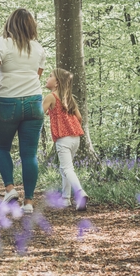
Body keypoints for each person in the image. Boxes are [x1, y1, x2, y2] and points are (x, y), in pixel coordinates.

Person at [0, 8, 46, 214]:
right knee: (29, 154)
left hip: (8, 101)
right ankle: (29, 202)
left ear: (10, 24)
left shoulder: (2, 44)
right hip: (35, 102)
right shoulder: (38, 48)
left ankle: (10, 189)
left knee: (0, 147)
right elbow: (38, 74)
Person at [42, 68, 89, 211]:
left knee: (67, 168)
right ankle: (66, 198)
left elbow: (39, 114)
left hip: (63, 139)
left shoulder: (51, 97)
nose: (47, 78)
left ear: (57, 83)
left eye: (50, 76)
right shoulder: (69, 98)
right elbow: (79, 118)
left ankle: (80, 193)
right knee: (65, 169)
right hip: (75, 138)